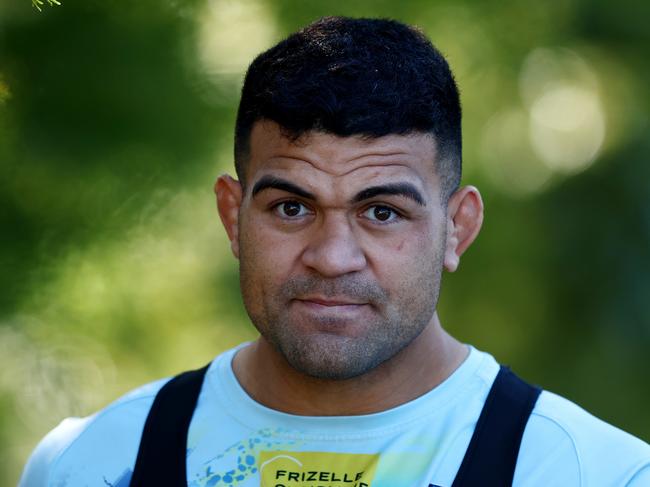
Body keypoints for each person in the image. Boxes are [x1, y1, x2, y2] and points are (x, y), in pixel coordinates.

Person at [20, 16, 649, 487]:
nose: (332, 256)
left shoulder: (589, 472)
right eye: (292, 208)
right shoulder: (96, 464)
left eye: (382, 212)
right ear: (232, 217)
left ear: (457, 228)